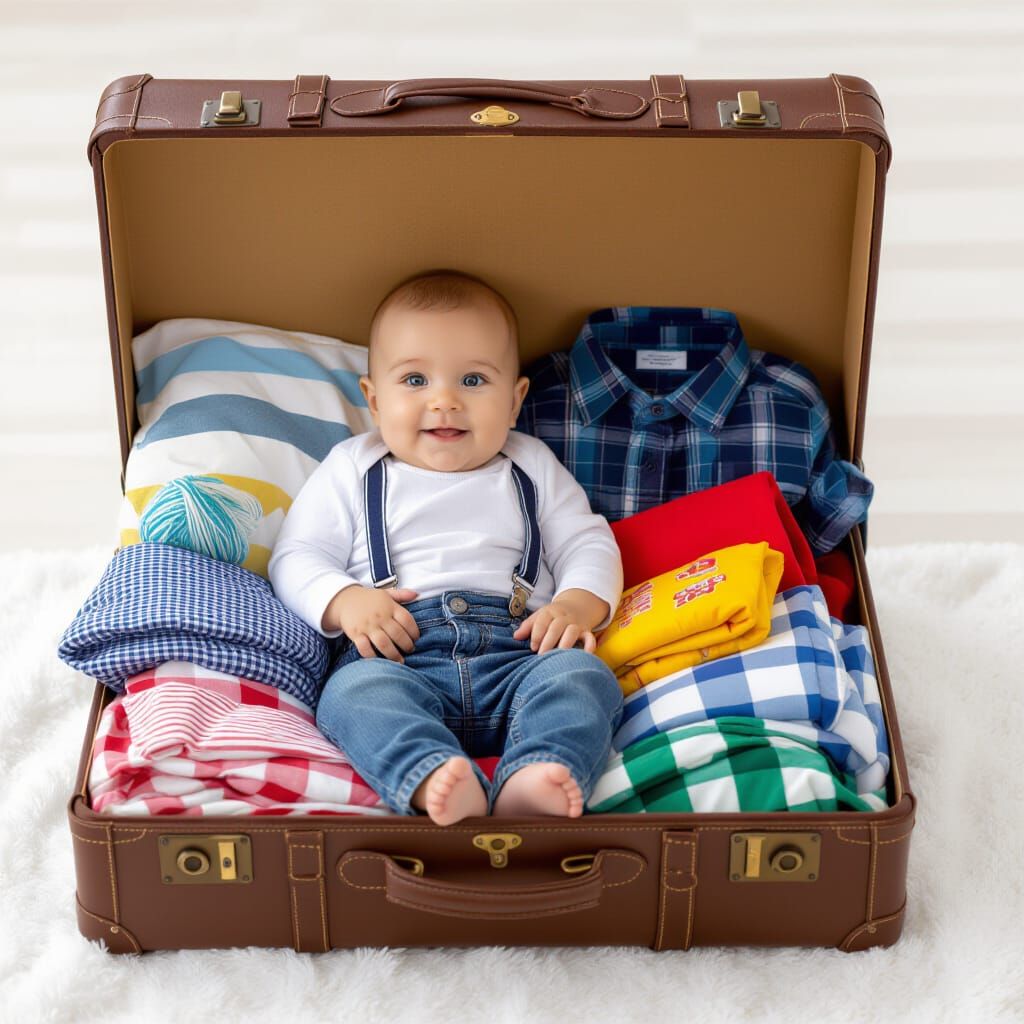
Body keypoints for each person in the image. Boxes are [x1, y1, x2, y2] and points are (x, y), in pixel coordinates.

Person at [269, 269, 624, 826]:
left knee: (582, 679)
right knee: (353, 695)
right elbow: (296, 554)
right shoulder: (353, 466)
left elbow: (587, 540)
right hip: (398, 655)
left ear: (514, 400)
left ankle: (539, 773)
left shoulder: (531, 462)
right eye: (414, 380)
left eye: (473, 381)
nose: (444, 401)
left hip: (521, 651)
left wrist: (578, 604)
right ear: (374, 400)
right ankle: (431, 773)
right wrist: (345, 600)